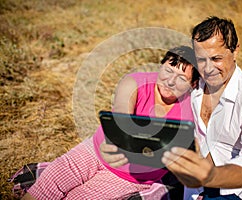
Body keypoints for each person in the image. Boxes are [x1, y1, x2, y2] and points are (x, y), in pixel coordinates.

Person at [22, 45, 200, 200]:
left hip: (131, 176)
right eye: (168, 71)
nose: (170, 81)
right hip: (95, 150)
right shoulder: (135, 82)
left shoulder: (192, 107)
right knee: (45, 188)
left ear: (193, 84)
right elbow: (121, 116)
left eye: (181, 78)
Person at [161, 16, 242, 200]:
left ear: (235, 51)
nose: (208, 69)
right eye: (201, 59)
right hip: (201, 188)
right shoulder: (193, 88)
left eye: (216, 58)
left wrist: (210, 176)